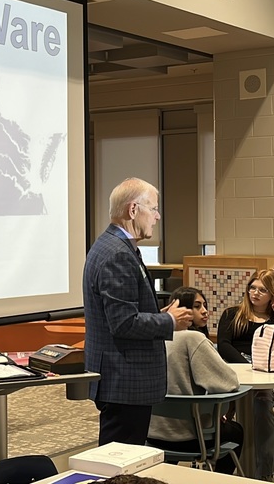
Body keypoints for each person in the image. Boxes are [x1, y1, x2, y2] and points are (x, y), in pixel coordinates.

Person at [83, 177, 192, 446]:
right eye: (153, 209)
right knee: (120, 463)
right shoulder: (117, 254)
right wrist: (168, 321)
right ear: (133, 210)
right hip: (124, 380)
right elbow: (123, 323)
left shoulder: (117, 246)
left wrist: (159, 313)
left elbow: (125, 310)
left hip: (124, 379)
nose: (156, 217)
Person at [147, 287, 244, 475]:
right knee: (236, 431)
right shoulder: (193, 338)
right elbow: (228, 382)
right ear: (181, 310)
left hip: (151, 433)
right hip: (191, 436)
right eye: (197, 306)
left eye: (205, 305)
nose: (205, 311)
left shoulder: (153, 337)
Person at [216, 269, 274, 480]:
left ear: (272, 294)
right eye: (252, 288)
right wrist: (247, 369)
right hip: (235, 368)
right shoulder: (233, 314)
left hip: (266, 371)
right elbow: (223, 345)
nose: (255, 293)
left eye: (263, 290)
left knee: (263, 400)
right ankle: (226, 468)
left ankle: (263, 475)